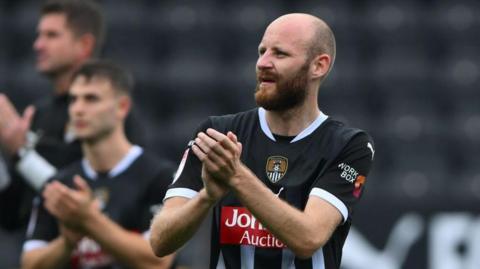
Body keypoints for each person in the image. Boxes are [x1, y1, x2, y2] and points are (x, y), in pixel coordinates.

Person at [150, 13, 375, 269]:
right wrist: (207, 197)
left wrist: (236, 175)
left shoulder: (349, 145)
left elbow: (308, 238)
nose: (262, 63)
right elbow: (159, 241)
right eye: (262, 51)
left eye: (280, 54)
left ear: (319, 66)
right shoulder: (217, 133)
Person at [0, 0, 145, 230]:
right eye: (39, 35)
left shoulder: (111, 115)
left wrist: (21, 153)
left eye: (52, 35)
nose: (38, 44)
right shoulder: (38, 115)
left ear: (84, 44)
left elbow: (100, 207)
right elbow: (11, 217)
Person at [22, 60, 175, 269]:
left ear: (122, 107)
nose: (78, 109)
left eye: (91, 99)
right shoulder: (60, 186)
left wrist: (89, 220)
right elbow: (29, 264)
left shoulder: (159, 177)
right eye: (73, 99)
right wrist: (67, 243)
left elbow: (158, 260)